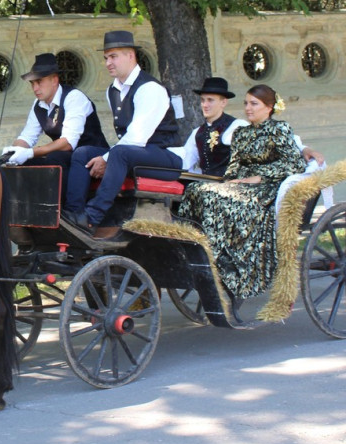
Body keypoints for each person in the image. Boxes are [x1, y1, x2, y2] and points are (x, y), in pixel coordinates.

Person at [177, 84, 308, 298]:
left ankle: (223, 260)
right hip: (243, 186)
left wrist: (259, 177)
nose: (248, 108)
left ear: (269, 107)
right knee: (196, 190)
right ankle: (198, 247)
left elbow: (293, 164)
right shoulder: (242, 133)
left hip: (266, 188)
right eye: (246, 103)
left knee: (210, 195)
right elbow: (235, 165)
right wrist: (231, 180)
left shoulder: (279, 129)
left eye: (254, 104)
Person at [64, 31, 182, 236]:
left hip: (164, 157)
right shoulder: (112, 91)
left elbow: (137, 137)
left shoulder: (150, 88)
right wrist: (103, 157)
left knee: (119, 153)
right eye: (106, 58)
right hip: (135, 155)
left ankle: (91, 218)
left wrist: (106, 159)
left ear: (130, 55)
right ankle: (74, 215)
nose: (108, 62)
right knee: (82, 153)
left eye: (113, 56)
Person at [1, 53, 109, 196]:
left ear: (54, 80)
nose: (35, 88)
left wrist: (30, 152)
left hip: (92, 155)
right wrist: (13, 152)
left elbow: (68, 143)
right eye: (32, 83)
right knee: (24, 164)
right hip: (65, 156)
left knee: (54, 158)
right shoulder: (38, 105)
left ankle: (67, 210)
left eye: (39, 82)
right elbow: (27, 137)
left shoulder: (73, 97)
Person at [173, 76, 322, 176]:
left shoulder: (236, 126)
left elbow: (274, 138)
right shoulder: (197, 133)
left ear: (223, 102)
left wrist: (304, 149)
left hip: (230, 186)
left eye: (210, 100)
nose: (205, 105)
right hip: (207, 182)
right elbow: (185, 160)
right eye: (203, 100)